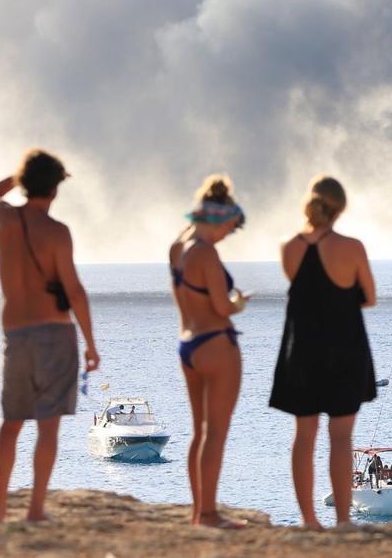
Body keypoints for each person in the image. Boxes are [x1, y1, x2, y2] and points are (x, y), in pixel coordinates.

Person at [0, 149, 100, 523]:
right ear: (56, 189)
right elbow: (75, 291)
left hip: (16, 331)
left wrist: (19, 176)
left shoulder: (4, 219)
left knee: (11, 421)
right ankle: (35, 510)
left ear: (25, 182)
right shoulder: (58, 233)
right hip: (55, 332)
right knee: (49, 426)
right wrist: (92, 344)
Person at [270, 176, 377, 529]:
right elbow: (369, 296)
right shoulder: (352, 247)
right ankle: (344, 520)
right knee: (342, 438)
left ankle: (308, 520)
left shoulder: (289, 247)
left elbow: (306, 294)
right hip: (345, 350)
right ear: (340, 207)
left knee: (303, 437)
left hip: (302, 351)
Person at [170, 174, 249, 529]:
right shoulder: (206, 252)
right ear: (219, 219)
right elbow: (221, 305)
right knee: (216, 432)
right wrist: (238, 303)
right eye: (229, 229)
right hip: (217, 343)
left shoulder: (178, 246)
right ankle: (210, 514)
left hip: (187, 343)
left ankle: (197, 511)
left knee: (199, 433)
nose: (228, 236)